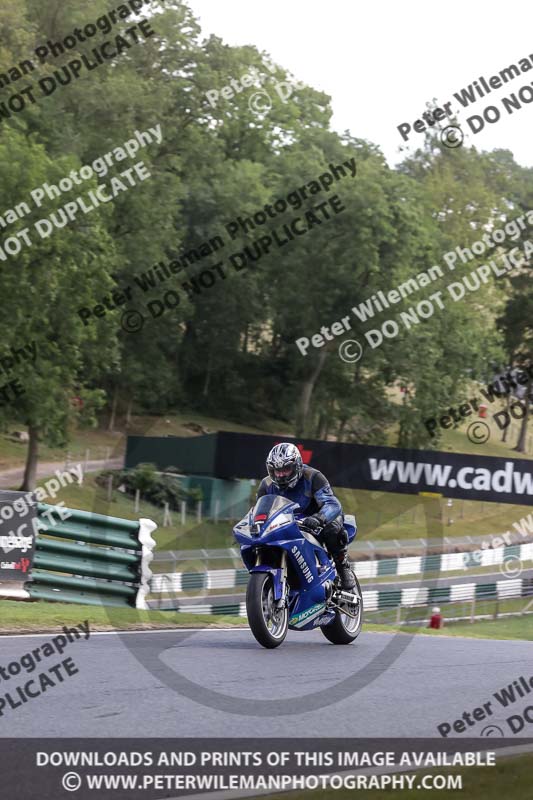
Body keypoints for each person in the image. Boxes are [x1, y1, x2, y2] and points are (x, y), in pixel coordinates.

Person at [256, 442, 356, 590]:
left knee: (332, 528)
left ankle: (342, 568)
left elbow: (332, 504)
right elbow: (259, 511)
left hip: (317, 520)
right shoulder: (266, 485)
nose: (281, 474)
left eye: (286, 469)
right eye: (276, 471)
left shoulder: (313, 477)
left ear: (297, 466)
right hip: (286, 524)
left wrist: (318, 518)